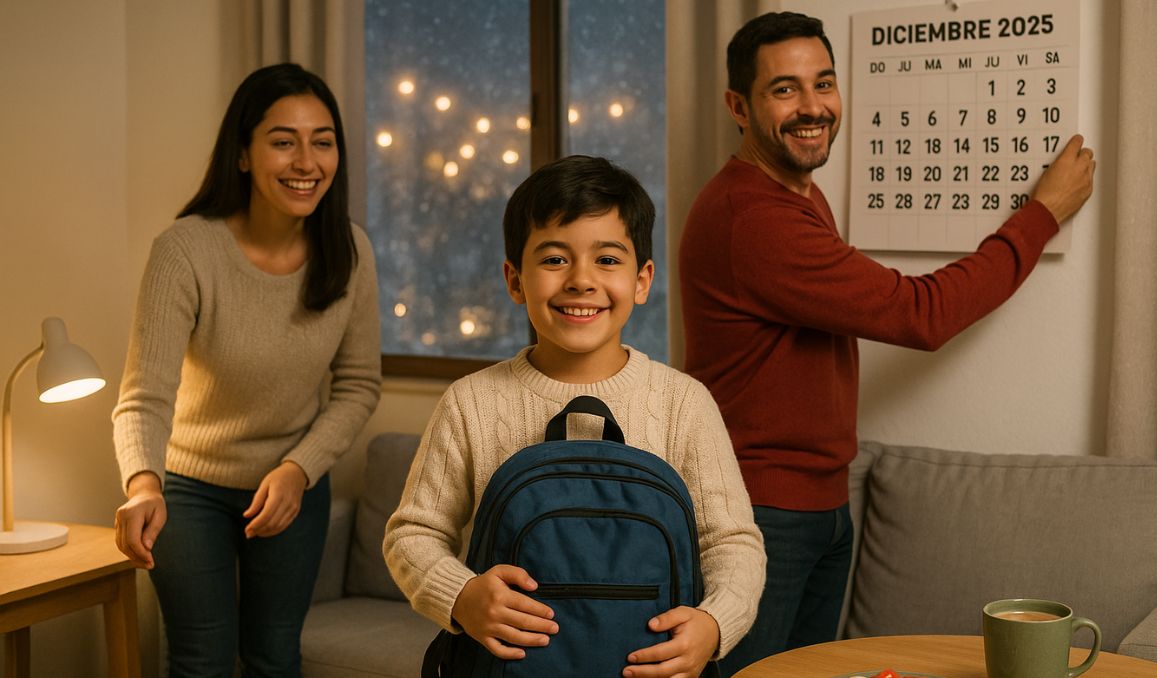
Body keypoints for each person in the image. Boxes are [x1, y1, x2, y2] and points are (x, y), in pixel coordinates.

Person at [678, 11, 1096, 676]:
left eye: (824, 83)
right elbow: (921, 315)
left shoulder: (796, 194)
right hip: (759, 515)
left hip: (814, 504)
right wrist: (1040, 214)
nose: (813, 107)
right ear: (738, 105)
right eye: (784, 90)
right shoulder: (752, 217)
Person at [382, 155, 766, 677]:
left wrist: (714, 624)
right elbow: (412, 535)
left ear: (642, 279)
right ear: (515, 280)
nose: (581, 281)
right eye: (555, 259)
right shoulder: (470, 401)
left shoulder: (684, 402)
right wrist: (463, 596)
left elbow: (733, 544)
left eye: (607, 260)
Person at [111, 63, 382, 677]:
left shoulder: (351, 250)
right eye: (283, 141)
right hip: (188, 487)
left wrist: (299, 468)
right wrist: (143, 484)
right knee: (202, 661)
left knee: (273, 659)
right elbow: (145, 396)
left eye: (323, 141)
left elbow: (360, 382)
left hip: (292, 484)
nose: (306, 161)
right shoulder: (185, 250)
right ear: (242, 155)